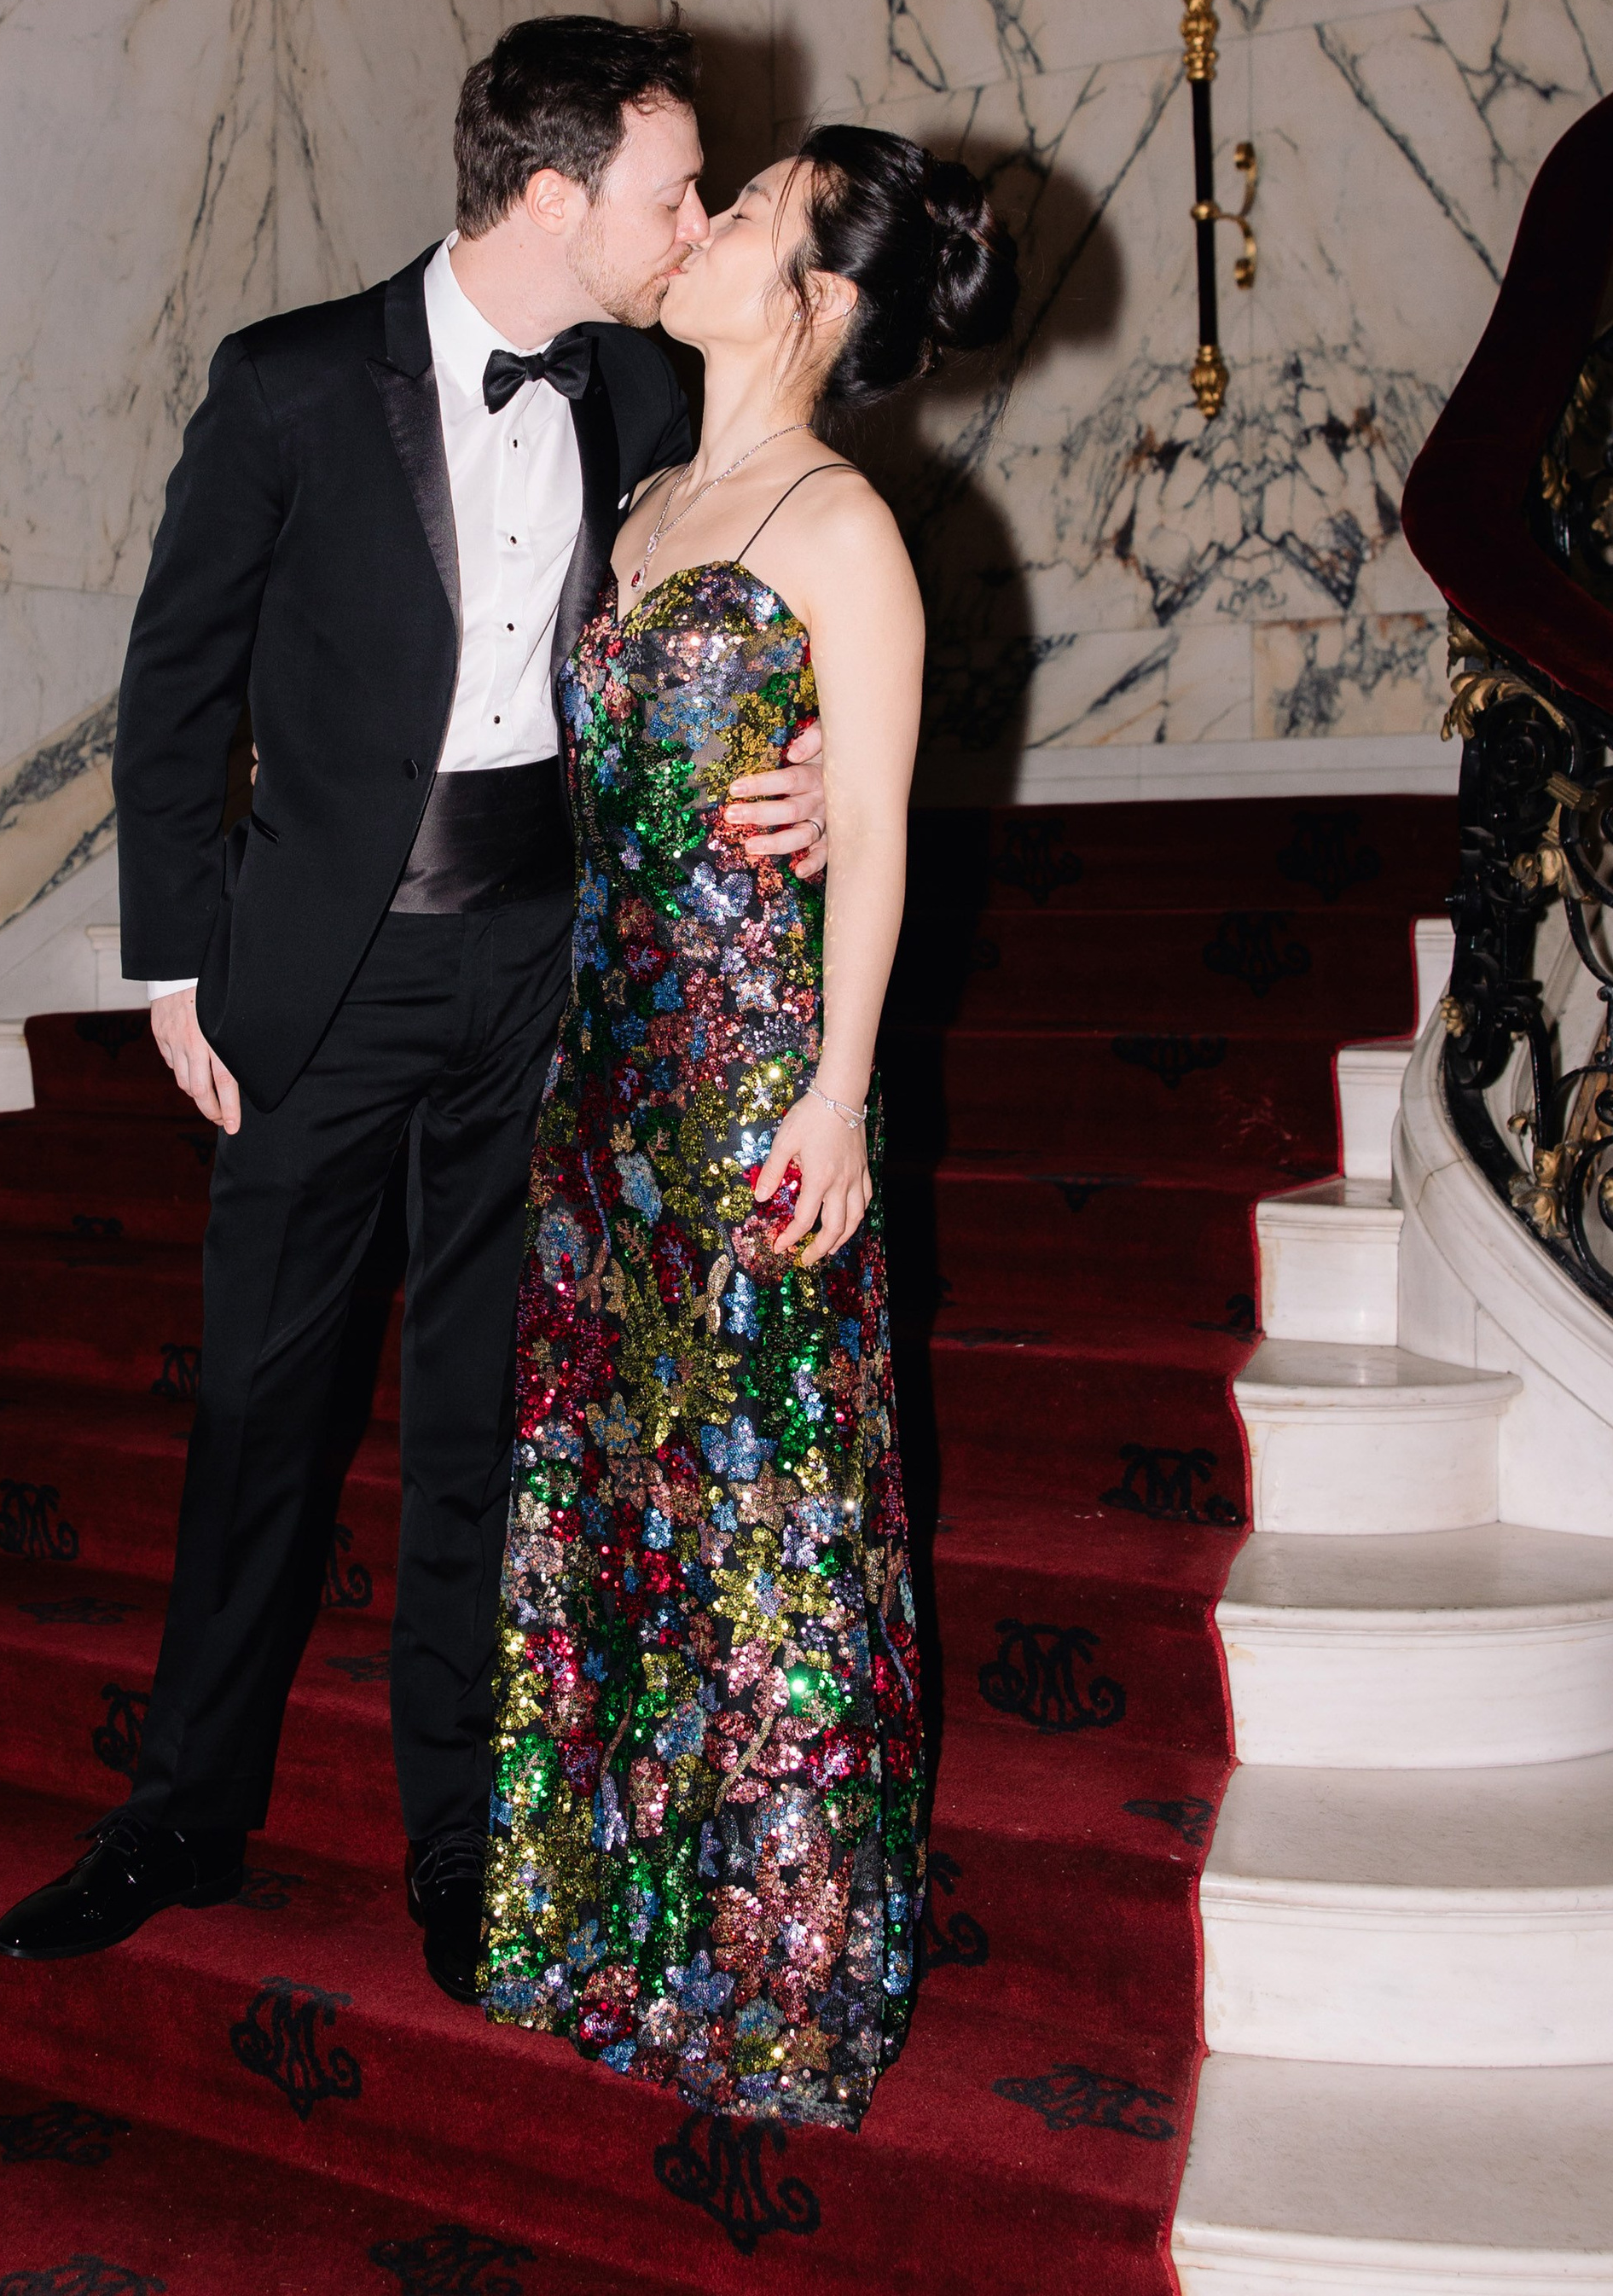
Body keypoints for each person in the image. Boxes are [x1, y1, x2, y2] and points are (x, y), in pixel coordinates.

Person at [0, 17, 834, 1996]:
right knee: (259, 1408)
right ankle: (183, 1809)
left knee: (479, 1416)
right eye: (665, 190)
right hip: (322, 967)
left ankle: (458, 1837)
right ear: (552, 197)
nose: (689, 221)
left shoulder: (643, 384)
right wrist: (175, 956)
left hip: (540, 967)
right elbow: (175, 685)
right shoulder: (289, 383)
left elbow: (744, 595)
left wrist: (803, 771)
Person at [477, 127, 1017, 2130]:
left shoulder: (838, 527)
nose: (695, 229)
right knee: (623, 1495)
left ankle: (778, 1957)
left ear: (821, 299)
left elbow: (867, 838)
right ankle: (606, 1910)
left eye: (744, 214)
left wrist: (835, 1094)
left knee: (766, 1512)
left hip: (746, 1074)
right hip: (601, 1081)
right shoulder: (642, 493)